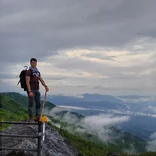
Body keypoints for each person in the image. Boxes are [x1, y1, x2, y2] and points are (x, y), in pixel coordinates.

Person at [25, 58, 49, 122]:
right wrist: (29, 91)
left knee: (38, 103)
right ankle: (31, 118)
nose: (34, 64)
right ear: (30, 63)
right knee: (31, 104)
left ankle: (37, 116)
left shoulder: (37, 71)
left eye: (35, 63)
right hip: (31, 90)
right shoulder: (29, 71)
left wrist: (45, 86)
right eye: (33, 62)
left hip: (36, 89)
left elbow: (41, 79)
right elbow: (27, 82)